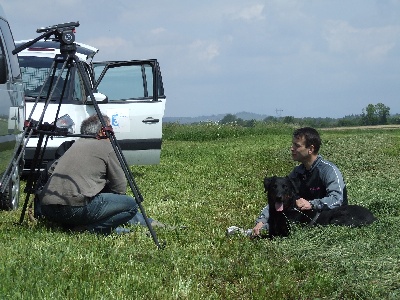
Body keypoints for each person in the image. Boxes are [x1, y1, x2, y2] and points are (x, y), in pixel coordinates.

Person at [39, 114, 142, 234]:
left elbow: (51, 171)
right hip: (74, 209)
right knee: (131, 205)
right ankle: (89, 230)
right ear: (103, 132)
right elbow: (120, 189)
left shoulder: (74, 145)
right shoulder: (107, 147)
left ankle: (68, 225)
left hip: (47, 208)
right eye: (110, 129)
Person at [252, 126, 348, 237]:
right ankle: (259, 229)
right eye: (292, 144)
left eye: (297, 146)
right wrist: (262, 220)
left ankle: (252, 232)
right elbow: (280, 198)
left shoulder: (329, 170)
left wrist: (312, 204)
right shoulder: (297, 172)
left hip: (332, 218)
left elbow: (337, 199)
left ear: (310, 149)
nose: (292, 148)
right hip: (305, 218)